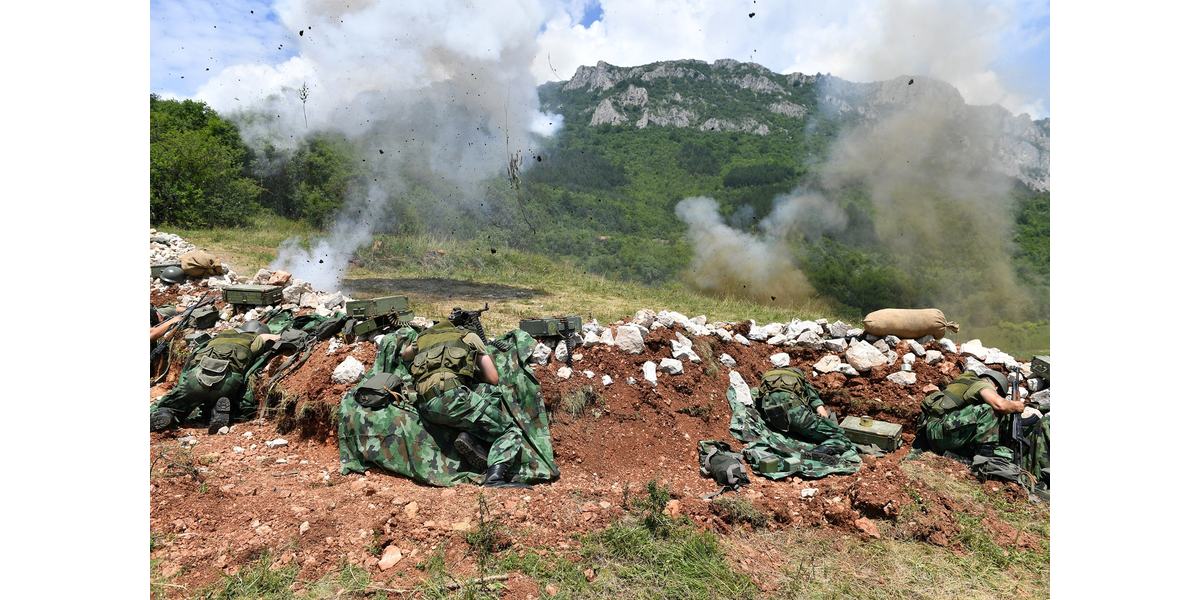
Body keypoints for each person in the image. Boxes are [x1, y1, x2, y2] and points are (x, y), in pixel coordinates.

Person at [401, 319, 524, 487]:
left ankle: (471, 437)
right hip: (452, 399)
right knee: (509, 430)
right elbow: (493, 378)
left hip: (424, 405)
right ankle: (495, 478)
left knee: (487, 392)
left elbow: (405, 355)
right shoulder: (468, 336)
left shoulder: (421, 338)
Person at [150, 320, 278, 434]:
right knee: (231, 400)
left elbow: (190, 364)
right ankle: (217, 411)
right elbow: (273, 338)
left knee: (175, 404)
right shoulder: (257, 338)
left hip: (197, 377)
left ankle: (166, 413)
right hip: (227, 382)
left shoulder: (220, 335)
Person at [918, 369, 1025, 458]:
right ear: (996, 387)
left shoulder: (965, 383)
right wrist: (1017, 406)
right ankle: (985, 457)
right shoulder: (982, 385)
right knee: (988, 409)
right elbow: (999, 404)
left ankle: (964, 456)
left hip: (936, 434)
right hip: (940, 432)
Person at [755, 367, 853, 455]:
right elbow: (817, 404)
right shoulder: (799, 377)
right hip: (796, 415)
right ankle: (815, 453)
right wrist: (826, 423)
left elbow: (759, 399)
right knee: (841, 437)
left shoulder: (768, 377)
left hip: (771, 418)